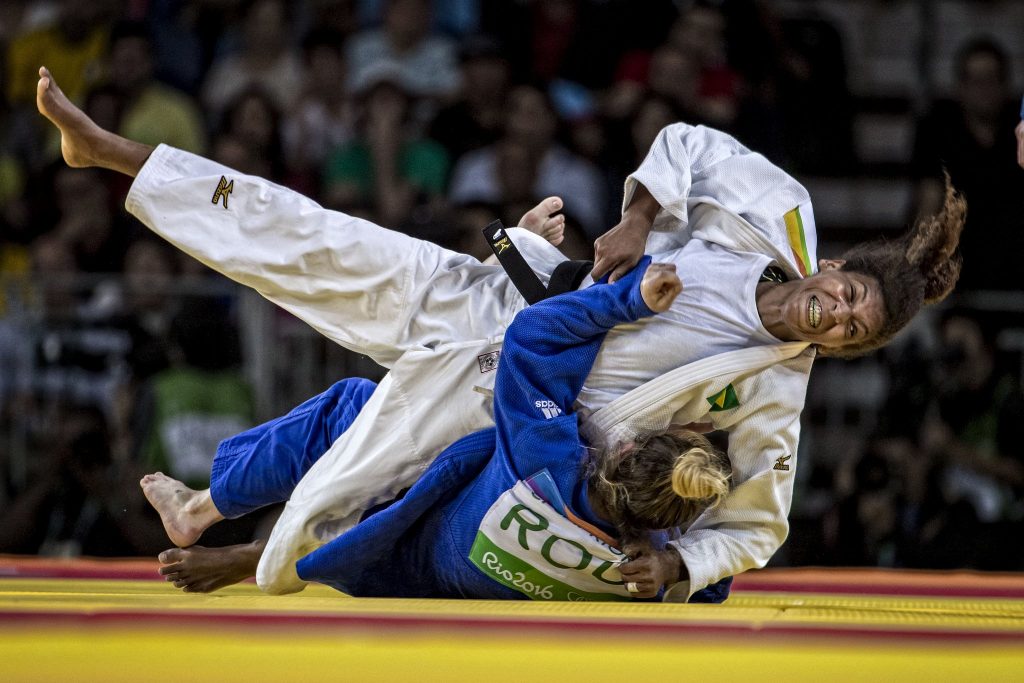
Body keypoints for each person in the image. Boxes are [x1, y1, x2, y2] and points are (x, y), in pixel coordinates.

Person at [35, 65, 965, 600]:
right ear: (833, 267)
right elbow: (689, 143)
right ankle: (115, 154)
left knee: (354, 471)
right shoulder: (782, 214)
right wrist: (638, 216)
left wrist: (681, 559)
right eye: (847, 297)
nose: (836, 319)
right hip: (505, 308)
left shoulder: (771, 392)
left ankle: (228, 535)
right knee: (319, 239)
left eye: (853, 334)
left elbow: (759, 524)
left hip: (515, 398)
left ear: (847, 351)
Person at [149, 257, 733, 601]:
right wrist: (671, 564)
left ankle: (212, 517)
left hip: (399, 543)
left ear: (624, 447)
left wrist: (630, 299)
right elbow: (716, 583)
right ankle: (244, 539)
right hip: (422, 584)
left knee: (354, 410)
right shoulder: (646, 572)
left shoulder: (545, 455)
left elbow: (533, 336)